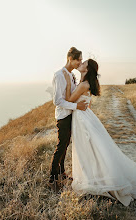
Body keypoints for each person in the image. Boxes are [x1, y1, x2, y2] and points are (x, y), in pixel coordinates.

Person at [62, 58, 136, 206]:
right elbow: (87, 102)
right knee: (91, 149)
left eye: (83, 64)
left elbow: (68, 99)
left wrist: (67, 83)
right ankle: (93, 176)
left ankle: (94, 178)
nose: (80, 64)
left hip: (82, 119)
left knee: (87, 149)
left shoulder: (84, 84)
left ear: (88, 69)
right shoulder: (84, 83)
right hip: (84, 117)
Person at [48, 47, 89, 189]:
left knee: (66, 144)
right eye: (78, 59)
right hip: (63, 116)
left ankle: (62, 172)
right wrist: (76, 107)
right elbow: (57, 101)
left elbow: (72, 95)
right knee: (61, 146)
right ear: (70, 58)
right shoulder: (59, 75)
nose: (80, 62)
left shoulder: (70, 75)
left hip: (71, 115)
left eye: (81, 60)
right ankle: (52, 179)